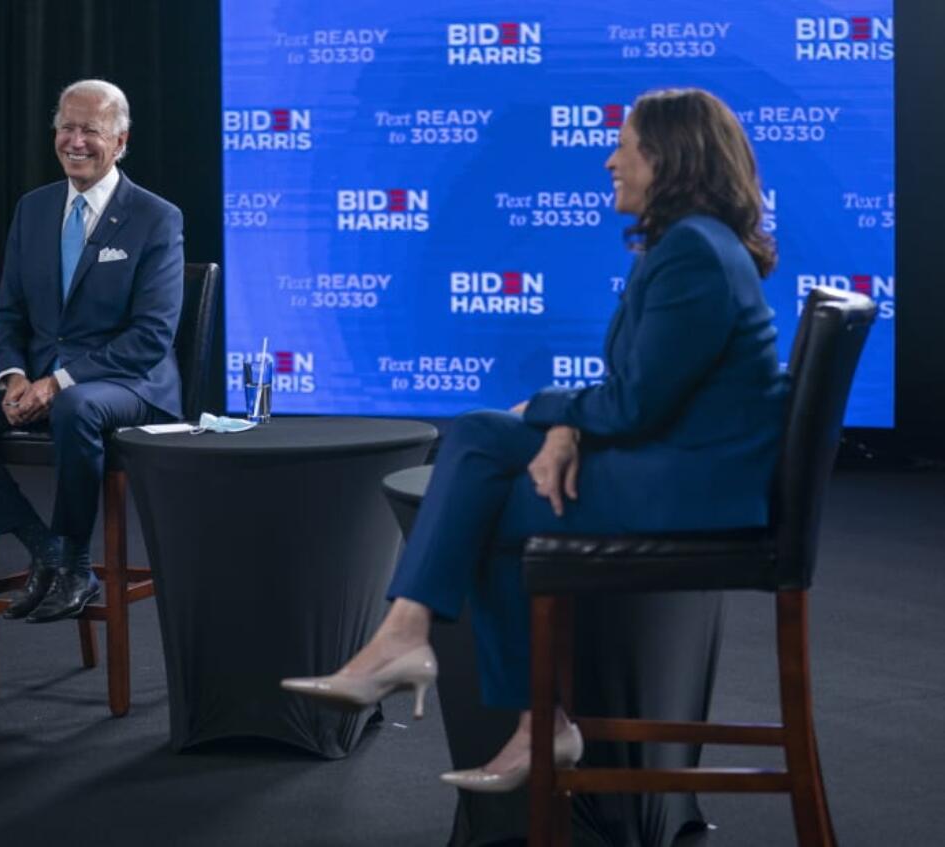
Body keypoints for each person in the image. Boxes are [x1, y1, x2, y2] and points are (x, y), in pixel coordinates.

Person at [282, 88, 788, 792]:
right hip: (683, 470)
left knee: (484, 457)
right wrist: (564, 424)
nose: (610, 160)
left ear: (669, 158)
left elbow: (638, 401)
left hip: (694, 492)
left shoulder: (694, 253)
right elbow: (646, 387)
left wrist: (555, 414)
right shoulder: (692, 244)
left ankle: (432, 654)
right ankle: (469, 679)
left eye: (626, 146)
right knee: (487, 449)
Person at [0, 79, 184, 624]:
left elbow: (150, 338)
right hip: (42, 383)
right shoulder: (34, 209)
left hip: (130, 385)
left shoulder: (156, 217)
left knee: (76, 406)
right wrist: (14, 377)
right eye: (67, 127)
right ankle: (49, 551)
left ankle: (76, 559)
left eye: (91, 129)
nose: (76, 141)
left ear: (121, 140)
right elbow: (10, 313)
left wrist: (59, 382)